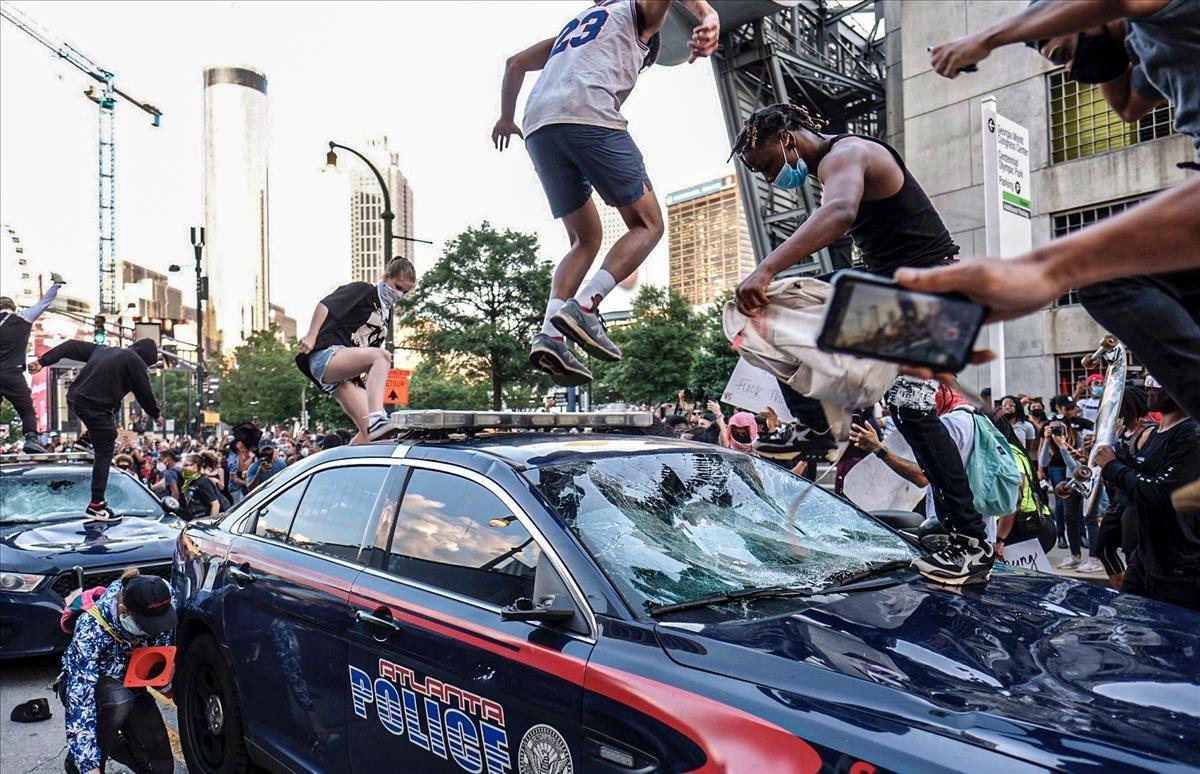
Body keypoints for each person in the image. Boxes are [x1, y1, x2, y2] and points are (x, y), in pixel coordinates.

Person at [492, 0, 719, 386]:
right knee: (648, 224)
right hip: (588, 114)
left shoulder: (574, 30)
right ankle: (586, 304)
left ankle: (550, 333)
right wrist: (709, 16)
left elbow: (514, 63)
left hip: (538, 127)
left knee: (584, 239)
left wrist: (506, 116)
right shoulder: (639, 19)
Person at [849, 384, 996, 585]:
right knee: (907, 408)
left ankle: (970, 544)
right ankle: (971, 545)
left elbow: (922, 476)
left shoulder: (950, 422)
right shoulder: (976, 418)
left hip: (951, 539)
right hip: (976, 529)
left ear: (944, 390)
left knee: (908, 409)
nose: (930, 400)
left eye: (931, 392)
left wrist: (879, 449)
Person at [1095, 374, 1200, 611]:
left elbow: (1160, 492)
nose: (1149, 386)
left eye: (1158, 379)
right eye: (1148, 379)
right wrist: (1105, 463)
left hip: (1181, 567)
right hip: (1145, 559)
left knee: (1174, 640)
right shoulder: (1155, 433)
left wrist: (1113, 466)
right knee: (1129, 623)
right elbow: (1135, 483)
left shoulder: (1192, 433)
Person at [28, 339, 161, 522]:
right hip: (94, 406)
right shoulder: (136, 362)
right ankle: (96, 505)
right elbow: (144, 392)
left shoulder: (104, 350)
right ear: (146, 358)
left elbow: (71, 346)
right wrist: (156, 414)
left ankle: (84, 442)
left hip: (75, 398)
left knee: (112, 412)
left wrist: (43, 361)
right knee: (107, 442)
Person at [61, 569, 176, 774]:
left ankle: (114, 744)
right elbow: (80, 700)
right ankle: (81, 761)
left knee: (161, 767)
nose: (155, 630)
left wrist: (167, 680)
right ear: (124, 610)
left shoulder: (163, 596)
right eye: (147, 625)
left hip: (134, 684)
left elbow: (163, 650)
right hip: (98, 689)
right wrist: (89, 765)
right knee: (118, 701)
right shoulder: (90, 628)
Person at [297, 258, 416, 443]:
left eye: (405, 292)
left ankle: (342, 468)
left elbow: (371, 346)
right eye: (397, 287)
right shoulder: (364, 290)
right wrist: (311, 335)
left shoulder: (387, 312)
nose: (399, 294)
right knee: (383, 356)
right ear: (386, 277)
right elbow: (325, 305)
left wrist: (369, 375)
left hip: (347, 375)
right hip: (327, 355)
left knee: (374, 436)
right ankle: (377, 417)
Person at [1093, 384, 1154, 589]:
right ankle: (1121, 588)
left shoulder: (1147, 433)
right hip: (1118, 500)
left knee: (1132, 552)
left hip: (1135, 503)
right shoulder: (1120, 432)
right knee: (1102, 547)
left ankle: (1137, 595)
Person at [0, 274, 64, 452]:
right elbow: (44, 303)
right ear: (12, 307)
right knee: (26, 410)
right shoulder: (23, 317)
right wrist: (56, 284)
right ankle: (31, 439)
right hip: (12, 373)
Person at [988, 410, 1056, 561]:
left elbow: (1014, 499)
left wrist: (1000, 540)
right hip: (1036, 524)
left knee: (1017, 582)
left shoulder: (1006, 453)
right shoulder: (1014, 450)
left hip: (1026, 528)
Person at [180, 453, 227, 520]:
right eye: (183, 465)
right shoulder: (189, 482)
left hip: (210, 520)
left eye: (186, 465)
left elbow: (215, 504)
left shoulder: (202, 482)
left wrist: (210, 523)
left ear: (196, 467)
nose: (183, 468)